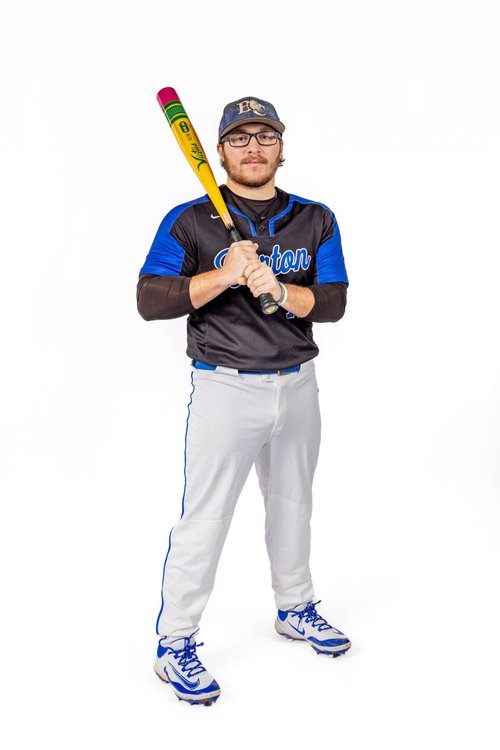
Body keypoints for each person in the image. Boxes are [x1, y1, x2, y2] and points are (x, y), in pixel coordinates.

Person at [137, 96, 350, 706]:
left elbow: (333, 303)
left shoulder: (315, 218)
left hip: (298, 384)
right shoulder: (189, 220)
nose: (253, 148)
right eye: (239, 138)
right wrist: (226, 274)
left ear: (281, 147)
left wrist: (279, 289)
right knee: (206, 517)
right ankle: (175, 642)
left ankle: (295, 607)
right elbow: (150, 299)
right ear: (220, 150)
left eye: (265, 137)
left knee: (293, 504)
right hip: (225, 386)